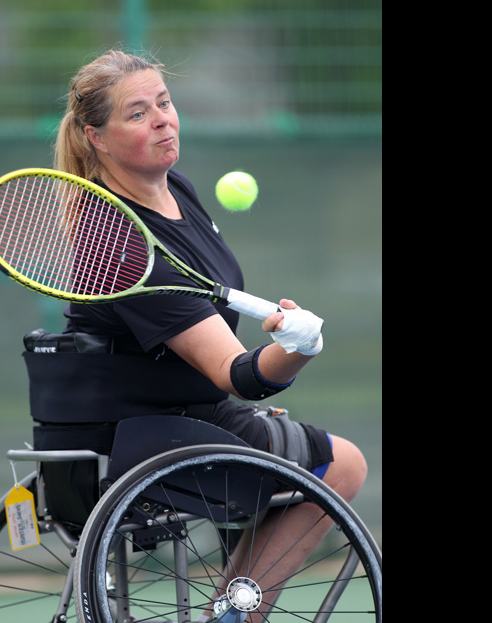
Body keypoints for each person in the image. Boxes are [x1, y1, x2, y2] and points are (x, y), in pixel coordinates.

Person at [49, 49, 367, 616]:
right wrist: (297, 349)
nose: (163, 120)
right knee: (342, 464)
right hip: (153, 431)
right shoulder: (119, 240)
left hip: (183, 413)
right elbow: (240, 376)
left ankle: (233, 604)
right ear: (96, 138)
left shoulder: (179, 191)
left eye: (165, 104)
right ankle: (232, 614)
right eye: (139, 113)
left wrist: (286, 344)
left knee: (321, 460)